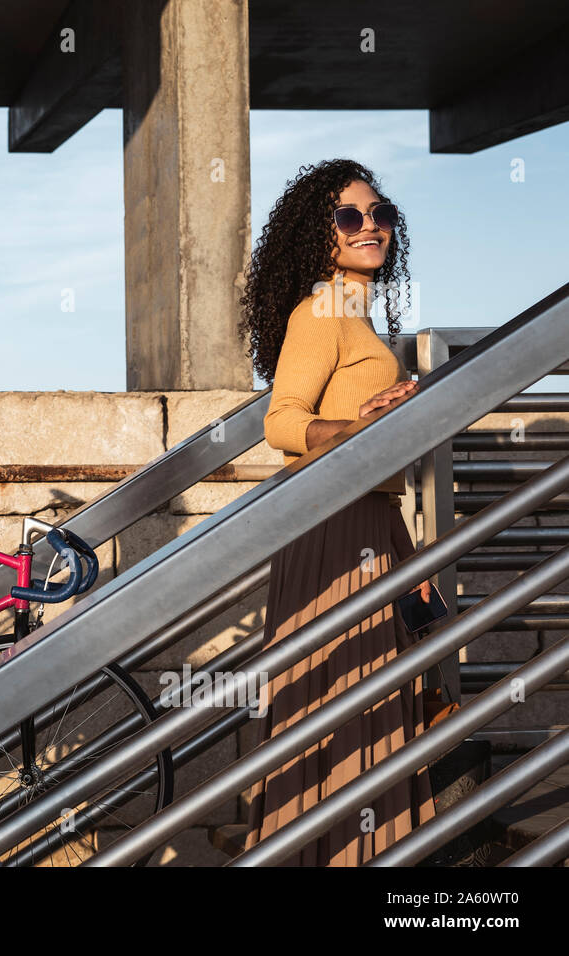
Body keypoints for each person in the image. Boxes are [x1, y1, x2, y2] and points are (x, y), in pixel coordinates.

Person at [237, 159, 435, 865]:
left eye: (380, 214)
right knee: (344, 701)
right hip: (335, 525)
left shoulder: (353, 313)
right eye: (350, 217)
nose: (371, 227)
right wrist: (353, 431)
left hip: (367, 519)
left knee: (358, 698)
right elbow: (283, 421)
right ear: (318, 236)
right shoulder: (322, 309)